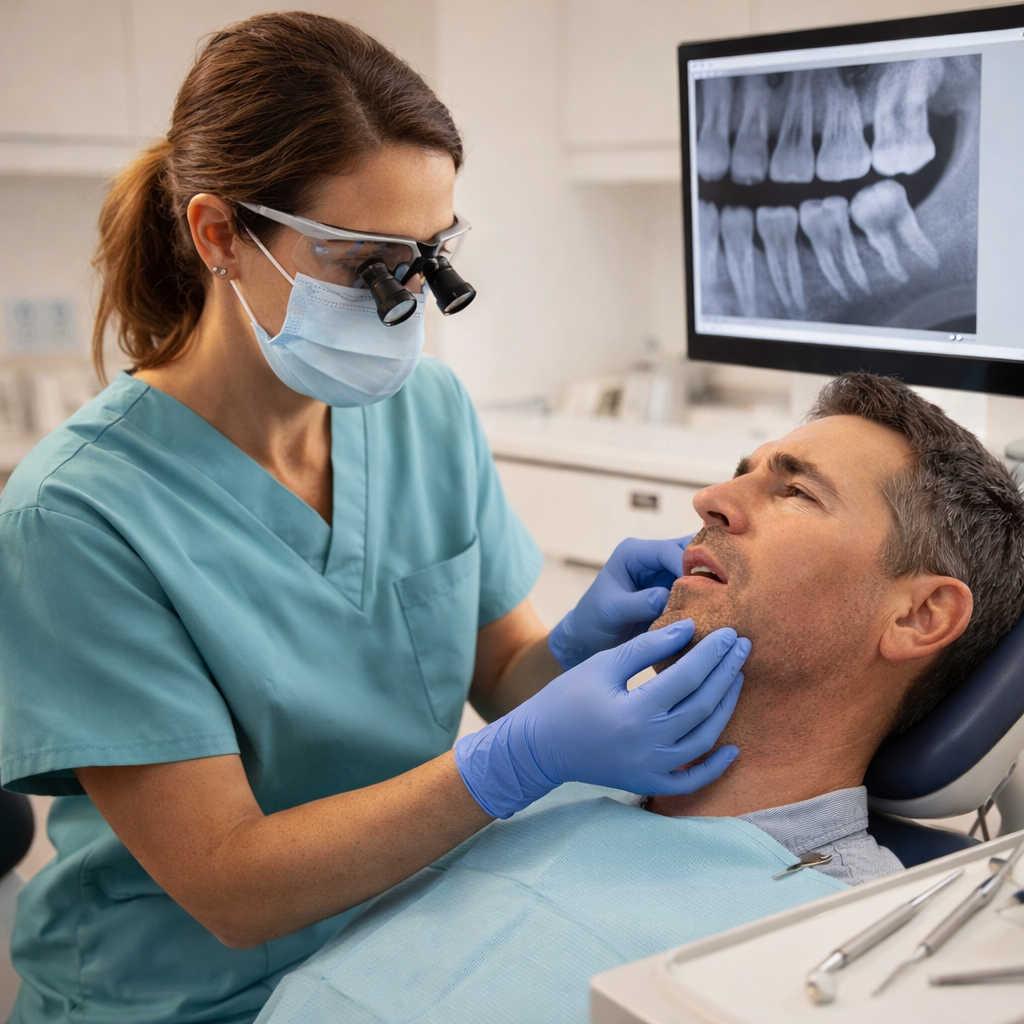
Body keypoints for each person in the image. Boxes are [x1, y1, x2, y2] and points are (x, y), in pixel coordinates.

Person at [0, 13, 750, 1024]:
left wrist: (575, 657)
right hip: (183, 994)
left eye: (428, 255)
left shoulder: (422, 411)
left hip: (400, 941)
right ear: (220, 233)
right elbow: (229, 885)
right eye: (368, 263)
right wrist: (515, 758)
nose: (409, 299)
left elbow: (502, 670)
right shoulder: (77, 513)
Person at [254, 371, 1024, 1024]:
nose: (711, 498)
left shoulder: (862, 934)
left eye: (795, 491)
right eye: (740, 470)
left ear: (920, 615)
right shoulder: (554, 776)